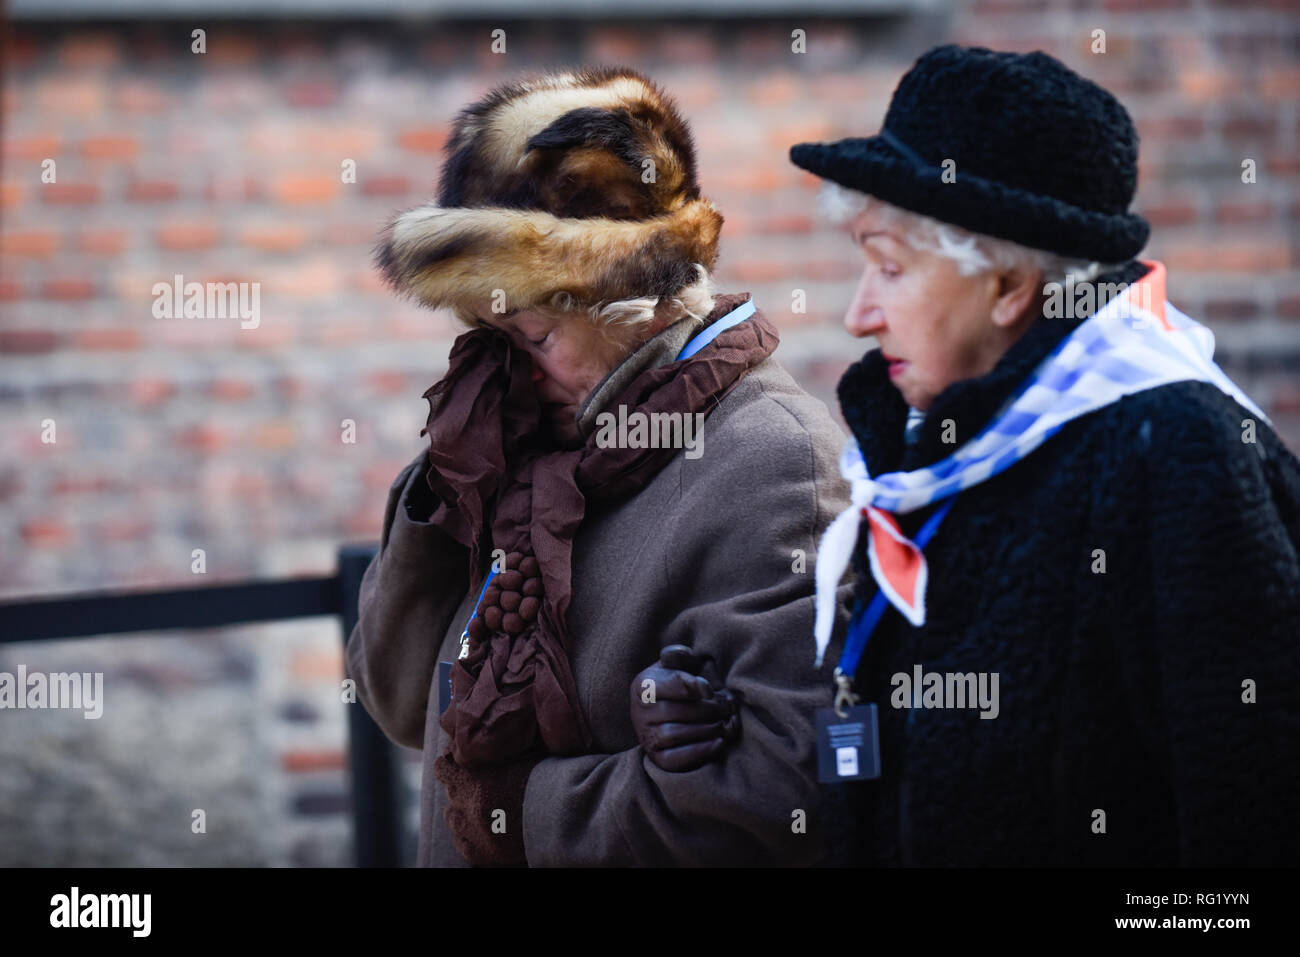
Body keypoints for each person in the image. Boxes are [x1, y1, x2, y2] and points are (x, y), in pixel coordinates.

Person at [780, 44, 1300, 865]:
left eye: (888, 266)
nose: (858, 314)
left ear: (1008, 286)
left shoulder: (1173, 451)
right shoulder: (949, 450)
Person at [345, 67, 851, 867]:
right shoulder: (526, 438)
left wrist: (514, 811)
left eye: (533, 337)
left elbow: (768, 796)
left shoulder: (773, 462)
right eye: (486, 331)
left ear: (636, 298)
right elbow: (400, 703)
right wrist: (450, 486)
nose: (504, 370)